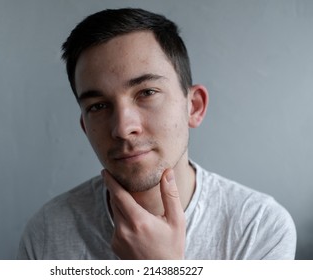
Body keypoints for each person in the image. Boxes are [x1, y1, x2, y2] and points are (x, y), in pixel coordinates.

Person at [17, 8, 296, 260]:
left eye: (147, 93)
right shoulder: (46, 233)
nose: (123, 128)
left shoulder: (259, 228)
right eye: (99, 106)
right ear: (84, 127)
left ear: (194, 107)